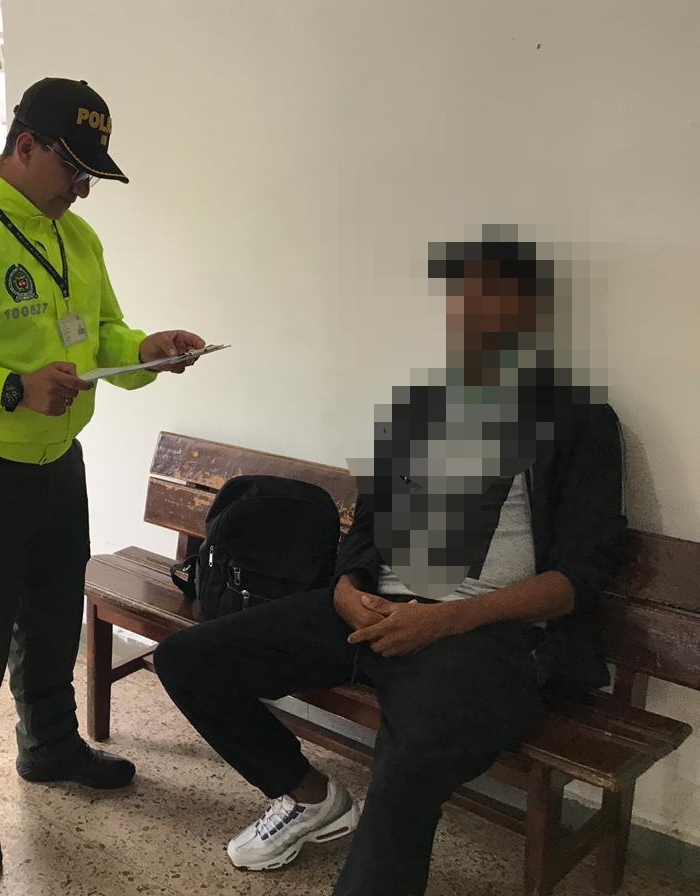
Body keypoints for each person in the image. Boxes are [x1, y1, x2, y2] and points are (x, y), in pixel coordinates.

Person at [154, 236, 626, 896]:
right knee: (188, 659)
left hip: (480, 634)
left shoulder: (581, 423)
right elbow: (369, 531)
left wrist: (445, 621)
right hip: (372, 610)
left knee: (405, 768)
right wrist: (346, 589)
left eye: (493, 303)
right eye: (463, 303)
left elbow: (576, 579)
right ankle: (311, 798)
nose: (473, 321)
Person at [0, 77, 205, 873]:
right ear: (25, 146)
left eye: (93, 176)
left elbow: (100, 334)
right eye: (74, 170)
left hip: (57, 463)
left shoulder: (74, 238)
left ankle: (50, 744)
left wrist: (145, 350)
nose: (82, 190)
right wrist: (10, 387)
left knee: (55, 618)